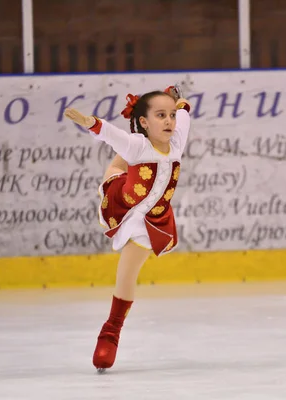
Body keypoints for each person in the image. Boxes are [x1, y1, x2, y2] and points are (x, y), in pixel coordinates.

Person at [64, 86, 191, 372]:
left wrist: (181, 105)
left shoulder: (178, 140)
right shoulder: (137, 145)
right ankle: (111, 331)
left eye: (170, 115)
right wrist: (91, 123)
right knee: (119, 162)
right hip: (123, 199)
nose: (169, 121)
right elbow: (111, 134)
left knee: (127, 271)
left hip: (152, 220)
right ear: (144, 122)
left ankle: (111, 330)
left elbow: (184, 114)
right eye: (161, 115)